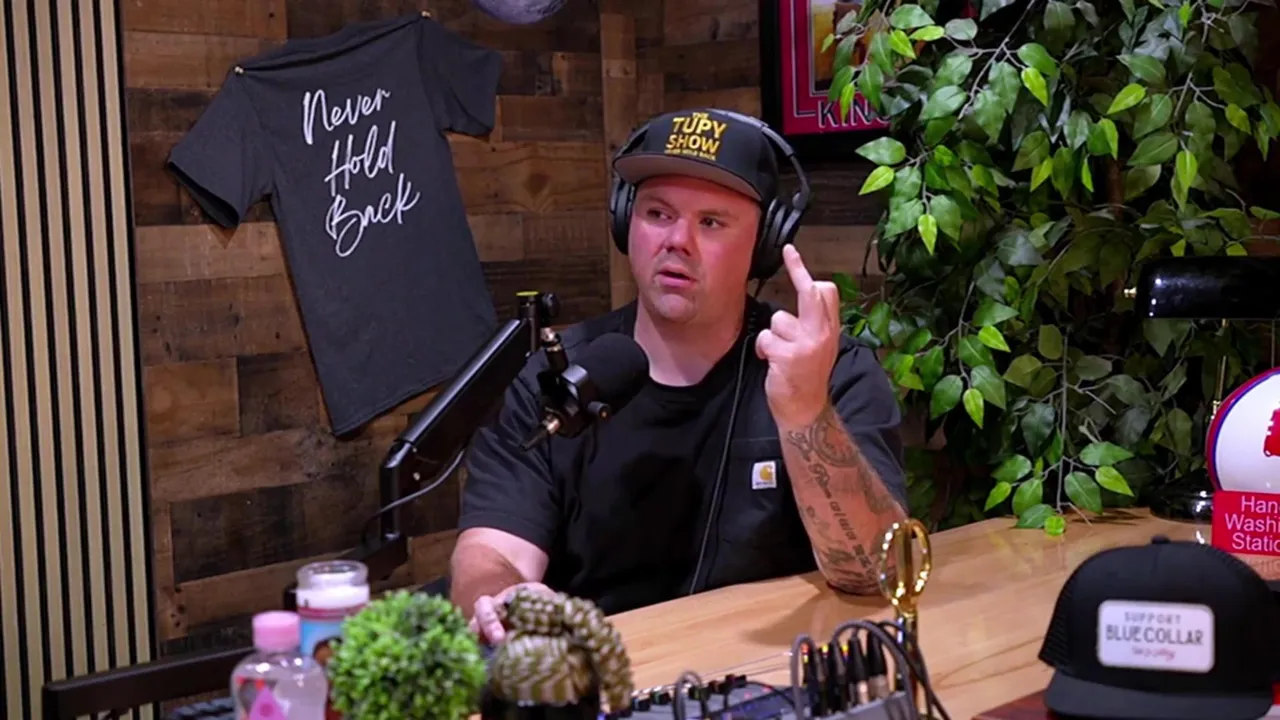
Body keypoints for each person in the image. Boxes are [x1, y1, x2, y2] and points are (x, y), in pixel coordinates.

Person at [448, 108, 908, 644]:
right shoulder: (554, 381)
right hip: (605, 673)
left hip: (771, 671)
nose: (678, 240)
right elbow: (491, 552)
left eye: (711, 222)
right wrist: (503, 599)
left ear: (764, 244)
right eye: (658, 213)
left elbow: (881, 571)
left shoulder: (830, 372)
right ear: (626, 221)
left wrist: (806, 413)